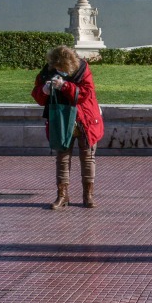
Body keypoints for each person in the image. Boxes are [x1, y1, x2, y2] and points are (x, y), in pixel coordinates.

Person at [31, 46, 103, 209]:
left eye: (63, 68)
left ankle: (88, 196)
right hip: (61, 121)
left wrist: (64, 86)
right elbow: (37, 95)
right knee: (62, 158)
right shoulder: (46, 72)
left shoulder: (82, 69)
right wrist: (45, 90)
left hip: (85, 120)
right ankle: (62, 196)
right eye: (57, 68)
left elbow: (86, 93)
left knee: (88, 157)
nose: (60, 71)